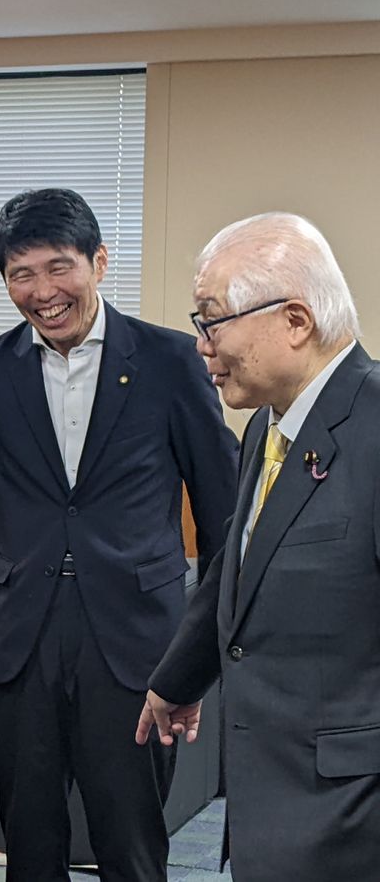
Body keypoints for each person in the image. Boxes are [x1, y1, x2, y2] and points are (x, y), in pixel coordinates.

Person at [0, 188, 238, 881]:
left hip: (137, 638)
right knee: (28, 835)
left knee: (130, 839)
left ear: (98, 262)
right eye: (21, 274)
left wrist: (209, 635)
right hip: (20, 634)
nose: (43, 291)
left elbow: (220, 509)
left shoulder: (171, 360)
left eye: (58, 267)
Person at [138, 212, 380, 881]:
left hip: (351, 819)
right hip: (268, 807)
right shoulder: (266, 432)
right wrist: (177, 682)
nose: (202, 346)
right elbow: (238, 574)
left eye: (212, 321)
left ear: (295, 321)